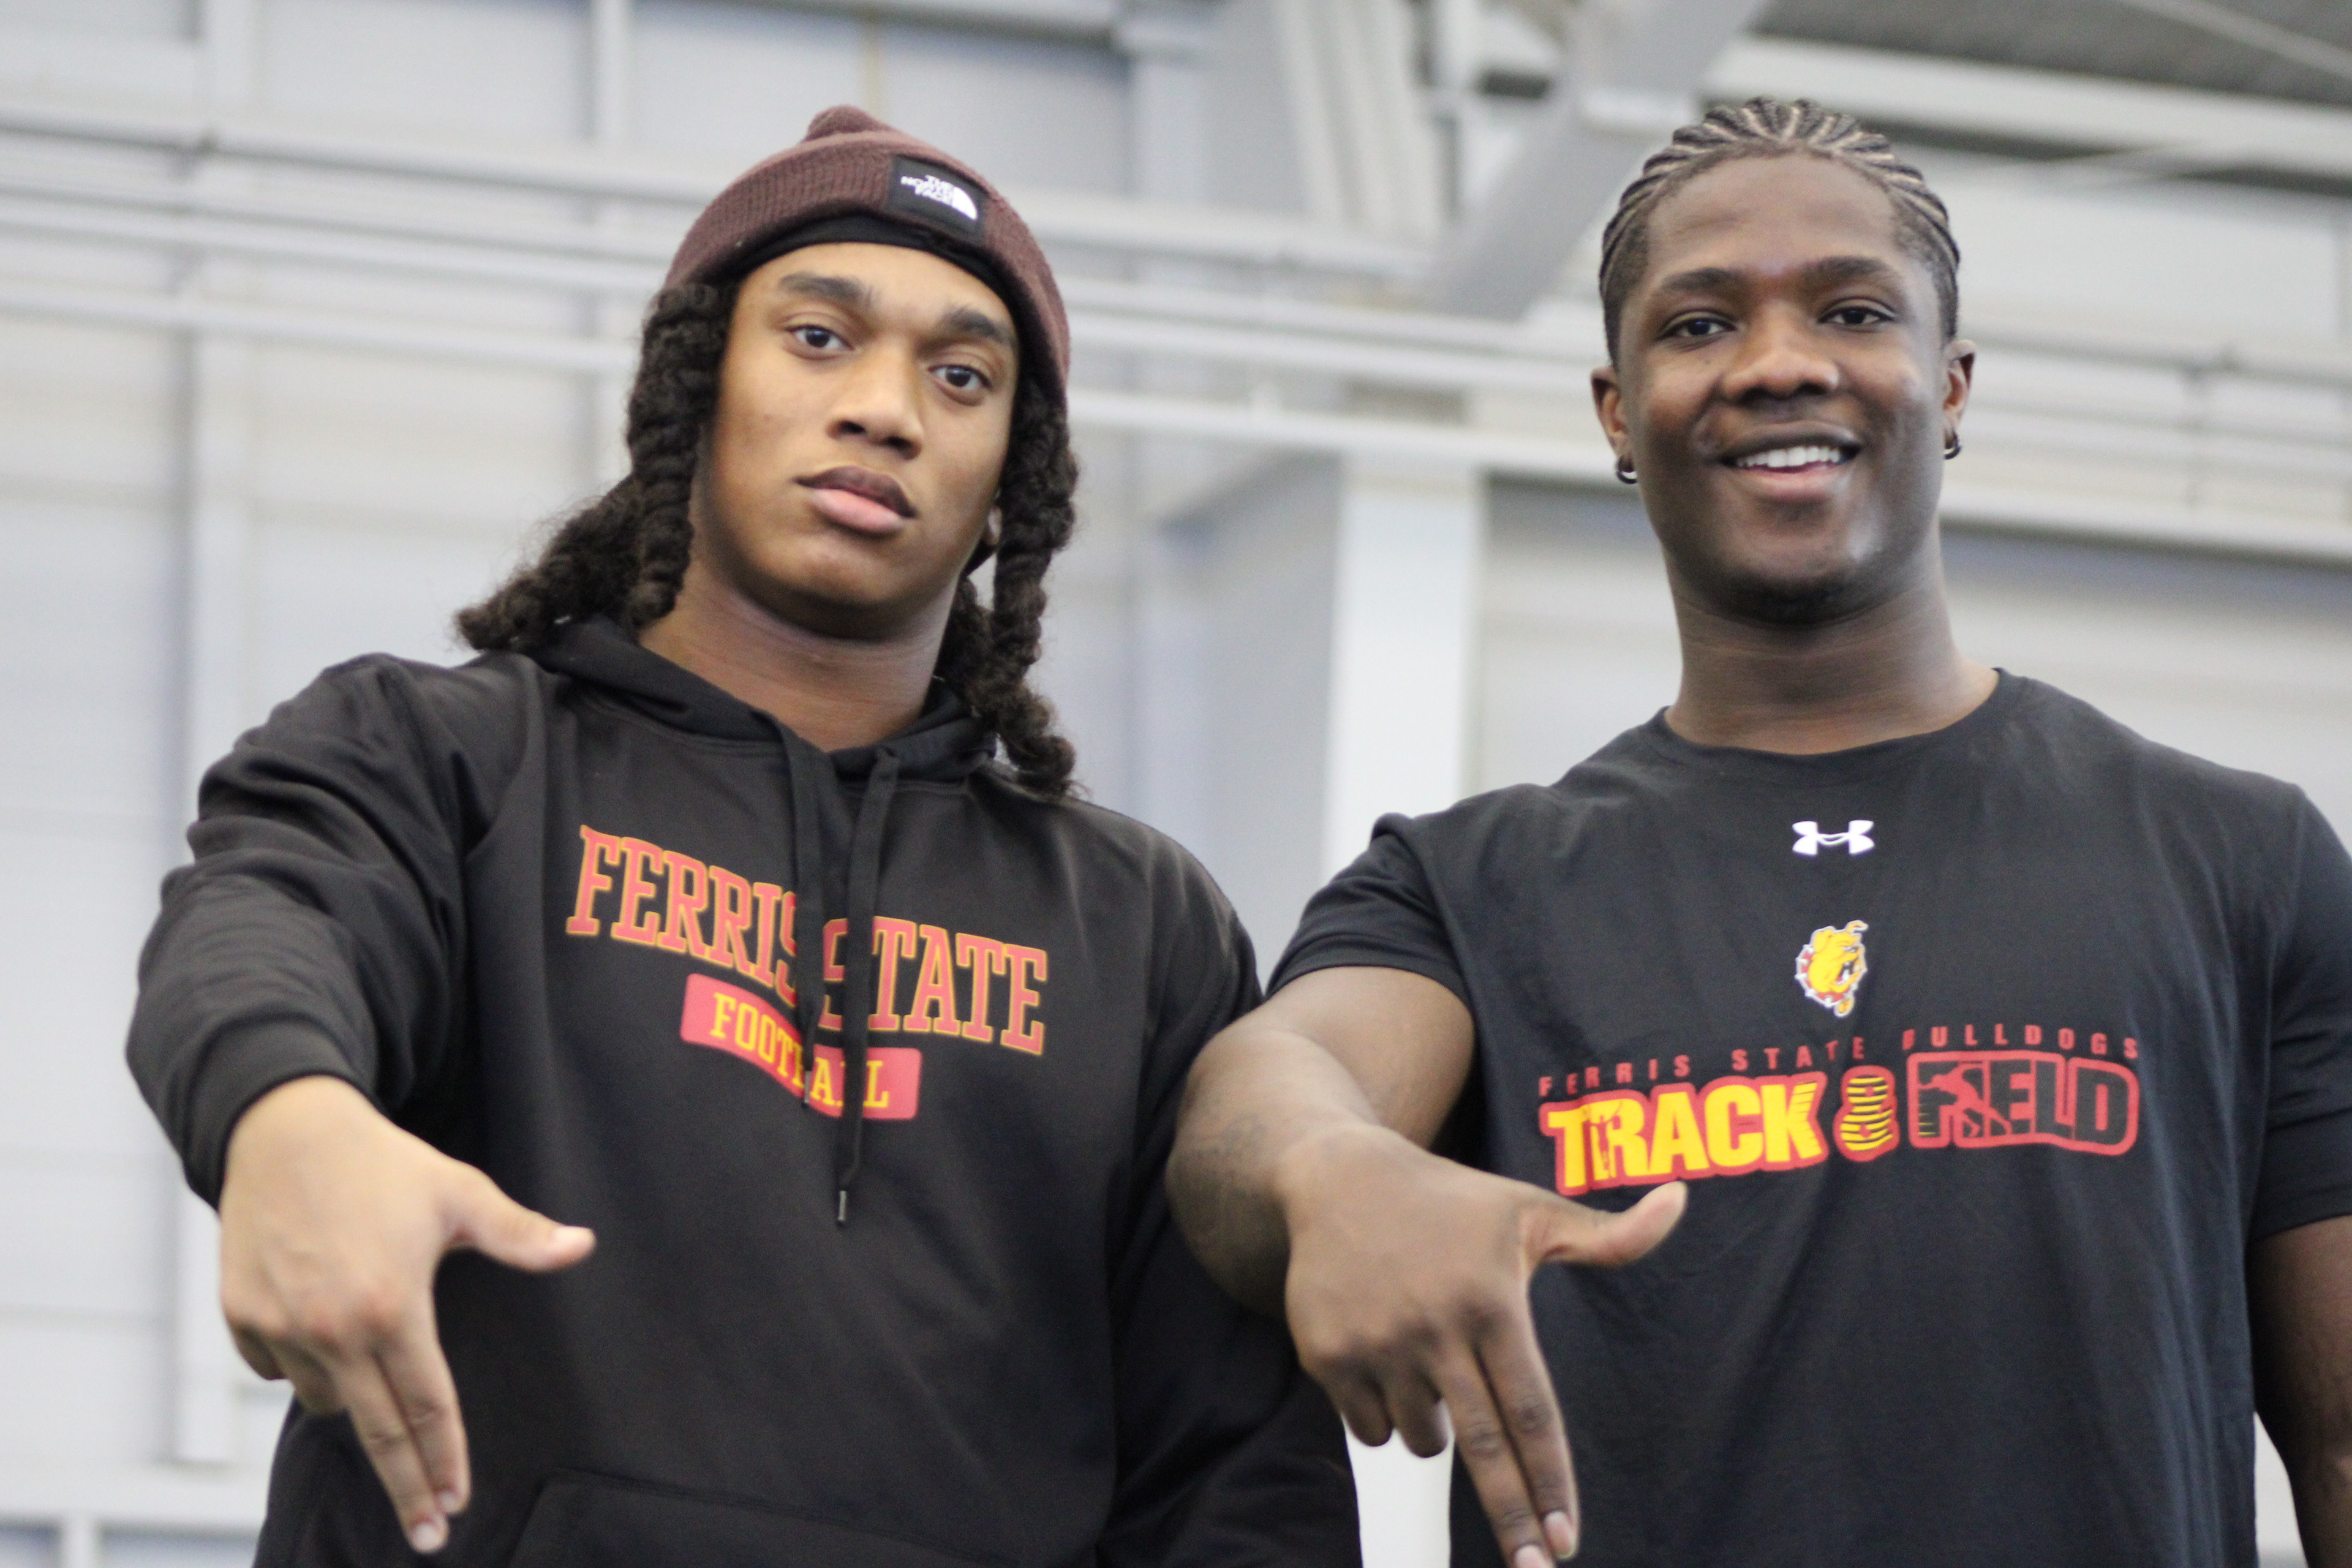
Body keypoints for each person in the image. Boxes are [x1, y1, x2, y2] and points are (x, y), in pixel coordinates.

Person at [128, 107, 1356, 1567]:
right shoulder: (445, 756)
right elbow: (267, 917)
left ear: (1009, 484)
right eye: (820, 338)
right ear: (693, 384)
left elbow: (1238, 1469)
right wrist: (288, 1114)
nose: (886, 409)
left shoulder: (1139, 923)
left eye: (962, 375)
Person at [1169, 97, 2352, 1568]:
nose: (1780, 362)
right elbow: (1260, 1094)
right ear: (1619, 410)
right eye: (1700, 324)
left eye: (1853, 310)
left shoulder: (2237, 858)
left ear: (1951, 383)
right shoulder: (1469, 886)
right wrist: (1327, 1166)